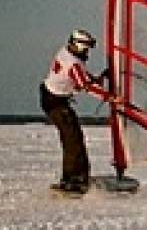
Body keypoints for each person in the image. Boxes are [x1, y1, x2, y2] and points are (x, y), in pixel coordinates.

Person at [40, 29, 113, 193]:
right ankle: (73, 181)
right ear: (78, 45)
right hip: (55, 102)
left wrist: (97, 79)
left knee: (74, 138)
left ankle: (74, 177)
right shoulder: (73, 62)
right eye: (86, 48)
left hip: (51, 97)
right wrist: (111, 98)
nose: (88, 52)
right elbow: (84, 85)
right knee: (73, 141)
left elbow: (81, 77)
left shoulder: (67, 53)